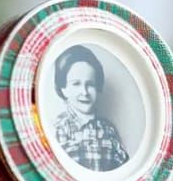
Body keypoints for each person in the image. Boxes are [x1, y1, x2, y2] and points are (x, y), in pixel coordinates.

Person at [52, 44, 129, 172]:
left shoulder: (108, 130)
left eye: (90, 84)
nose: (84, 92)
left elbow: (124, 169)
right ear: (63, 89)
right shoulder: (59, 128)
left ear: (98, 87)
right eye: (76, 84)